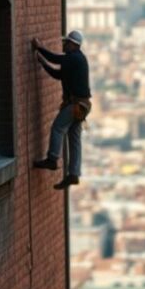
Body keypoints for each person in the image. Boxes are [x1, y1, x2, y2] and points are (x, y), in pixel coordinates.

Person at [31, 30, 92, 190]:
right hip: (81, 106)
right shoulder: (76, 60)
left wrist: (40, 48)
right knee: (74, 137)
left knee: (58, 128)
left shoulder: (74, 58)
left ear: (72, 44)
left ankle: (52, 159)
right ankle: (73, 174)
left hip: (76, 105)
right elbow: (58, 74)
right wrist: (42, 62)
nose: (63, 45)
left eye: (66, 43)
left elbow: (56, 59)